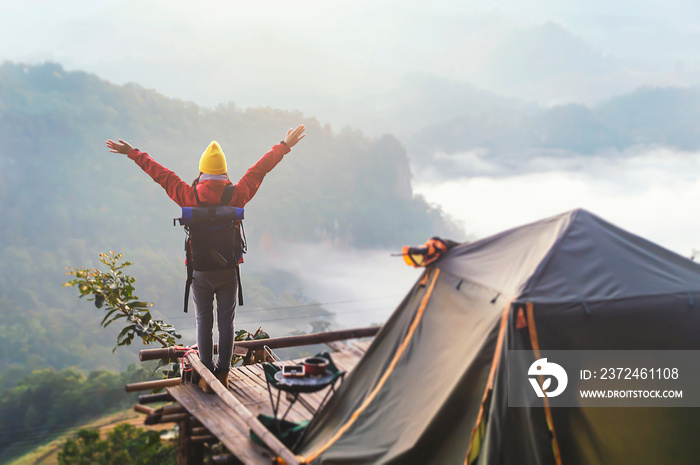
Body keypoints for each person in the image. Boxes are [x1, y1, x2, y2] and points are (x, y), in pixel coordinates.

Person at [106, 124, 306, 392]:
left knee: (204, 321)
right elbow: (259, 170)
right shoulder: (236, 195)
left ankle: (206, 375)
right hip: (228, 270)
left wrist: (134, 153)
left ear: (201, 172)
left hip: (199, 272)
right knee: (227, 323)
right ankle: (223, 373)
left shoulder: (188, 195)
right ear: (224, 172)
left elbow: (161, 175)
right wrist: (284, 146)